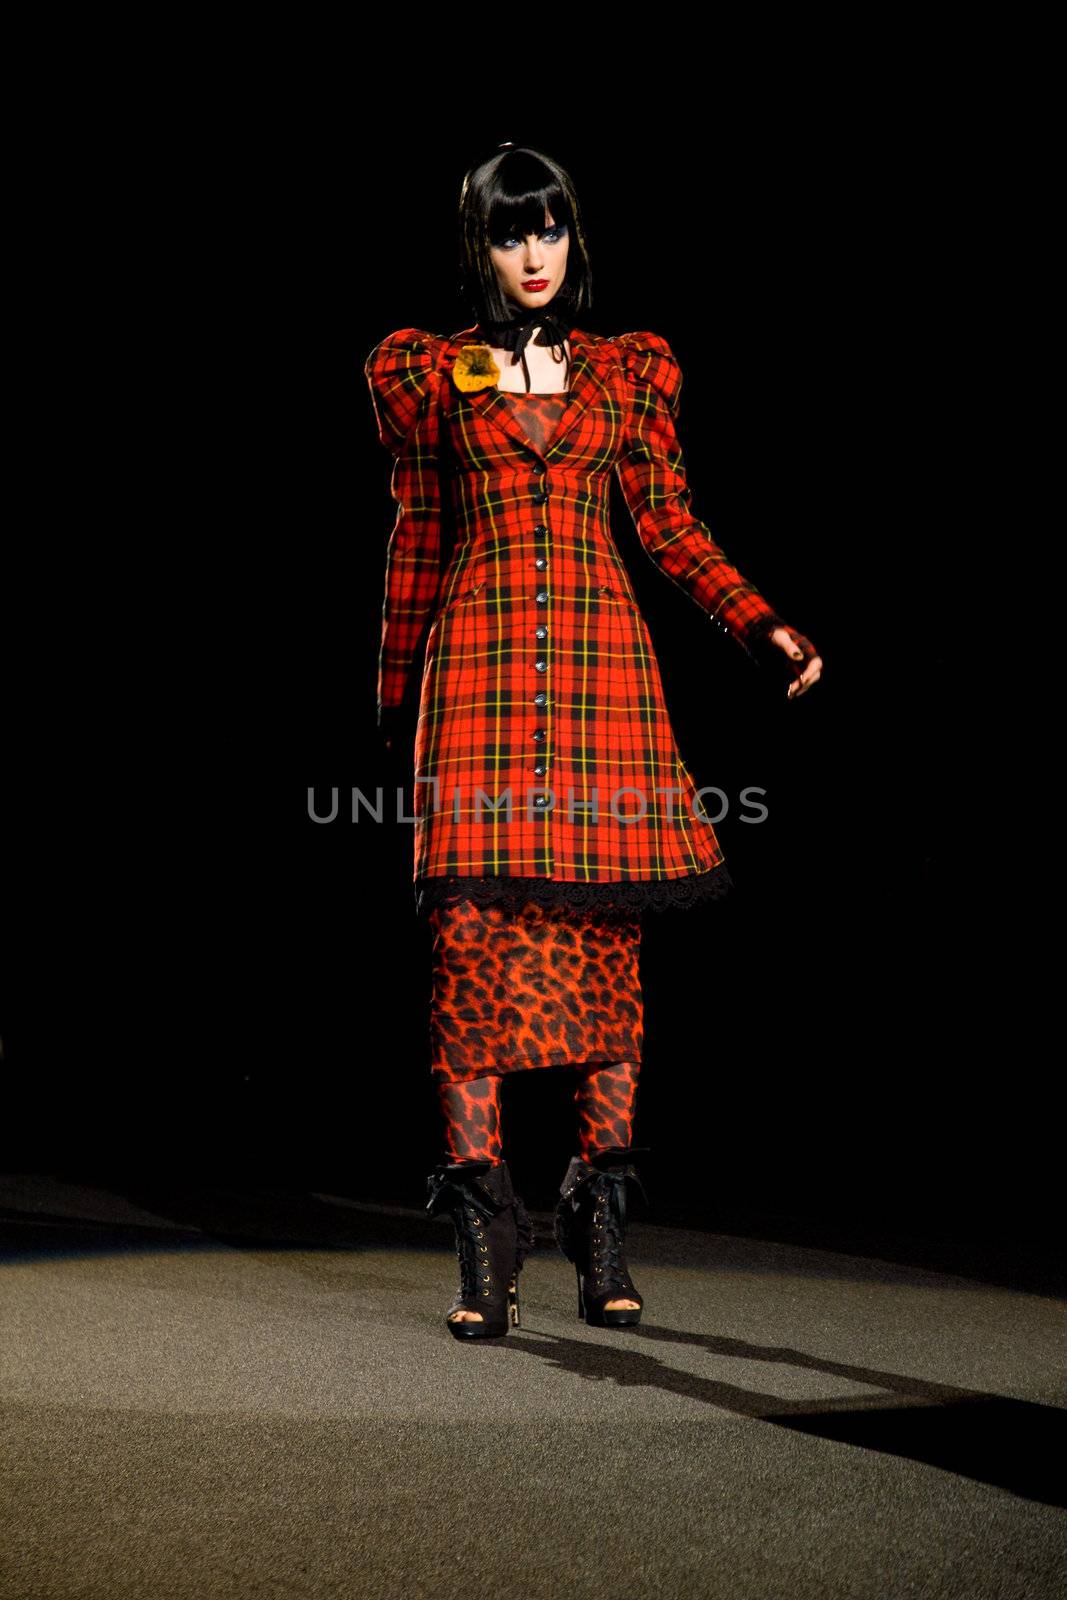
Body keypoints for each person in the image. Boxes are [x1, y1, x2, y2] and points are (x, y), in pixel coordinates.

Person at [364, 143, 823, 1341]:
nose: (533, 254)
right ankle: (484, 1231)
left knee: (602, 954)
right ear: (478, 243)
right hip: (471, 682)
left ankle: (597, 1216)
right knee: (470, 951)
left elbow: (667, 524)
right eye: (512, 232)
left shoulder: (622, 374)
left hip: (602, 686)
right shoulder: (433, 373)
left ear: (573, 239)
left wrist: (757, 622)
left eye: (551, 229)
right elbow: (416, 536)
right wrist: (391, 691)